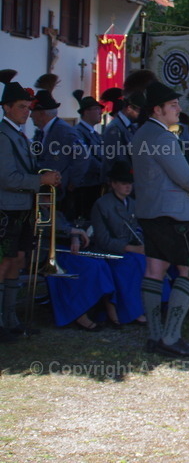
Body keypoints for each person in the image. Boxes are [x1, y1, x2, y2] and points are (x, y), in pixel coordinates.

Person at [131, 81, 189, 357]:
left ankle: (155, 336)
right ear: (157, 109)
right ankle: (170, 336)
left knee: (155, 270)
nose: (178, 109)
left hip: (150, 212)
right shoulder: (163, 137)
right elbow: (184, 177)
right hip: (172, 214)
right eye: (173, 105)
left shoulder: (142, 132)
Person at [1, 80, 62, 341]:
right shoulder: (4, 137)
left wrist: (45, 175)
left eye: (28, 107)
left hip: (22, 208)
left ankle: (11, 319)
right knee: (4, 264)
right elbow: (7, 178)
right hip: (7, 210)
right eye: (21, 107)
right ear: (6, 108)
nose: (26, 112)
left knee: (17, 262)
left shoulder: (18, 134)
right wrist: (41, 180)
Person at [89, 159, 147, 326]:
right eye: (123, 183)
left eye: (130, 183)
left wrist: (141, 246)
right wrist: (130, 248)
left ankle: (149, 306)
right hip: (110, 253)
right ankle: (132, 311)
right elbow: (102, 239)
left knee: (149, 261)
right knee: (132, 265)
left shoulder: (133, 204)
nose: (128, 187)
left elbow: (138, 229)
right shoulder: (102, 204)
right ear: (113, 184)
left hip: (131, 249)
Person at [31, 89, 86, 215]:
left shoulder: (63, 131)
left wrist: (72, 181)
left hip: (61, 192)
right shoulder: (42, 132)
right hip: (47, 191)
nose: (30, 116)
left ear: (41, 113)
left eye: (32, 112)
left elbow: (83, 156)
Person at [71, 90, 105, 220]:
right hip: (84, 185)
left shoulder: (95, 134)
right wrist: (103, 170)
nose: (100, 112)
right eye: (96, 109)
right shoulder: (78, 132)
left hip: (96, 183)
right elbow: (87, 158)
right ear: (86, 112)